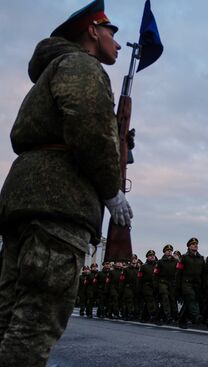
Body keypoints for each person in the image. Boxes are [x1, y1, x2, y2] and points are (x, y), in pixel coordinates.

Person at [0, 1, 131, 365]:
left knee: (9, 318)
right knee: (36, 322)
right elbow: (88, 128)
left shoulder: (54, 69)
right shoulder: (81, 64)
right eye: (111, 34)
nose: (117, 44)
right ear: (92, 31)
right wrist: (111, 191)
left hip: (26, 199)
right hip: (59, 202)